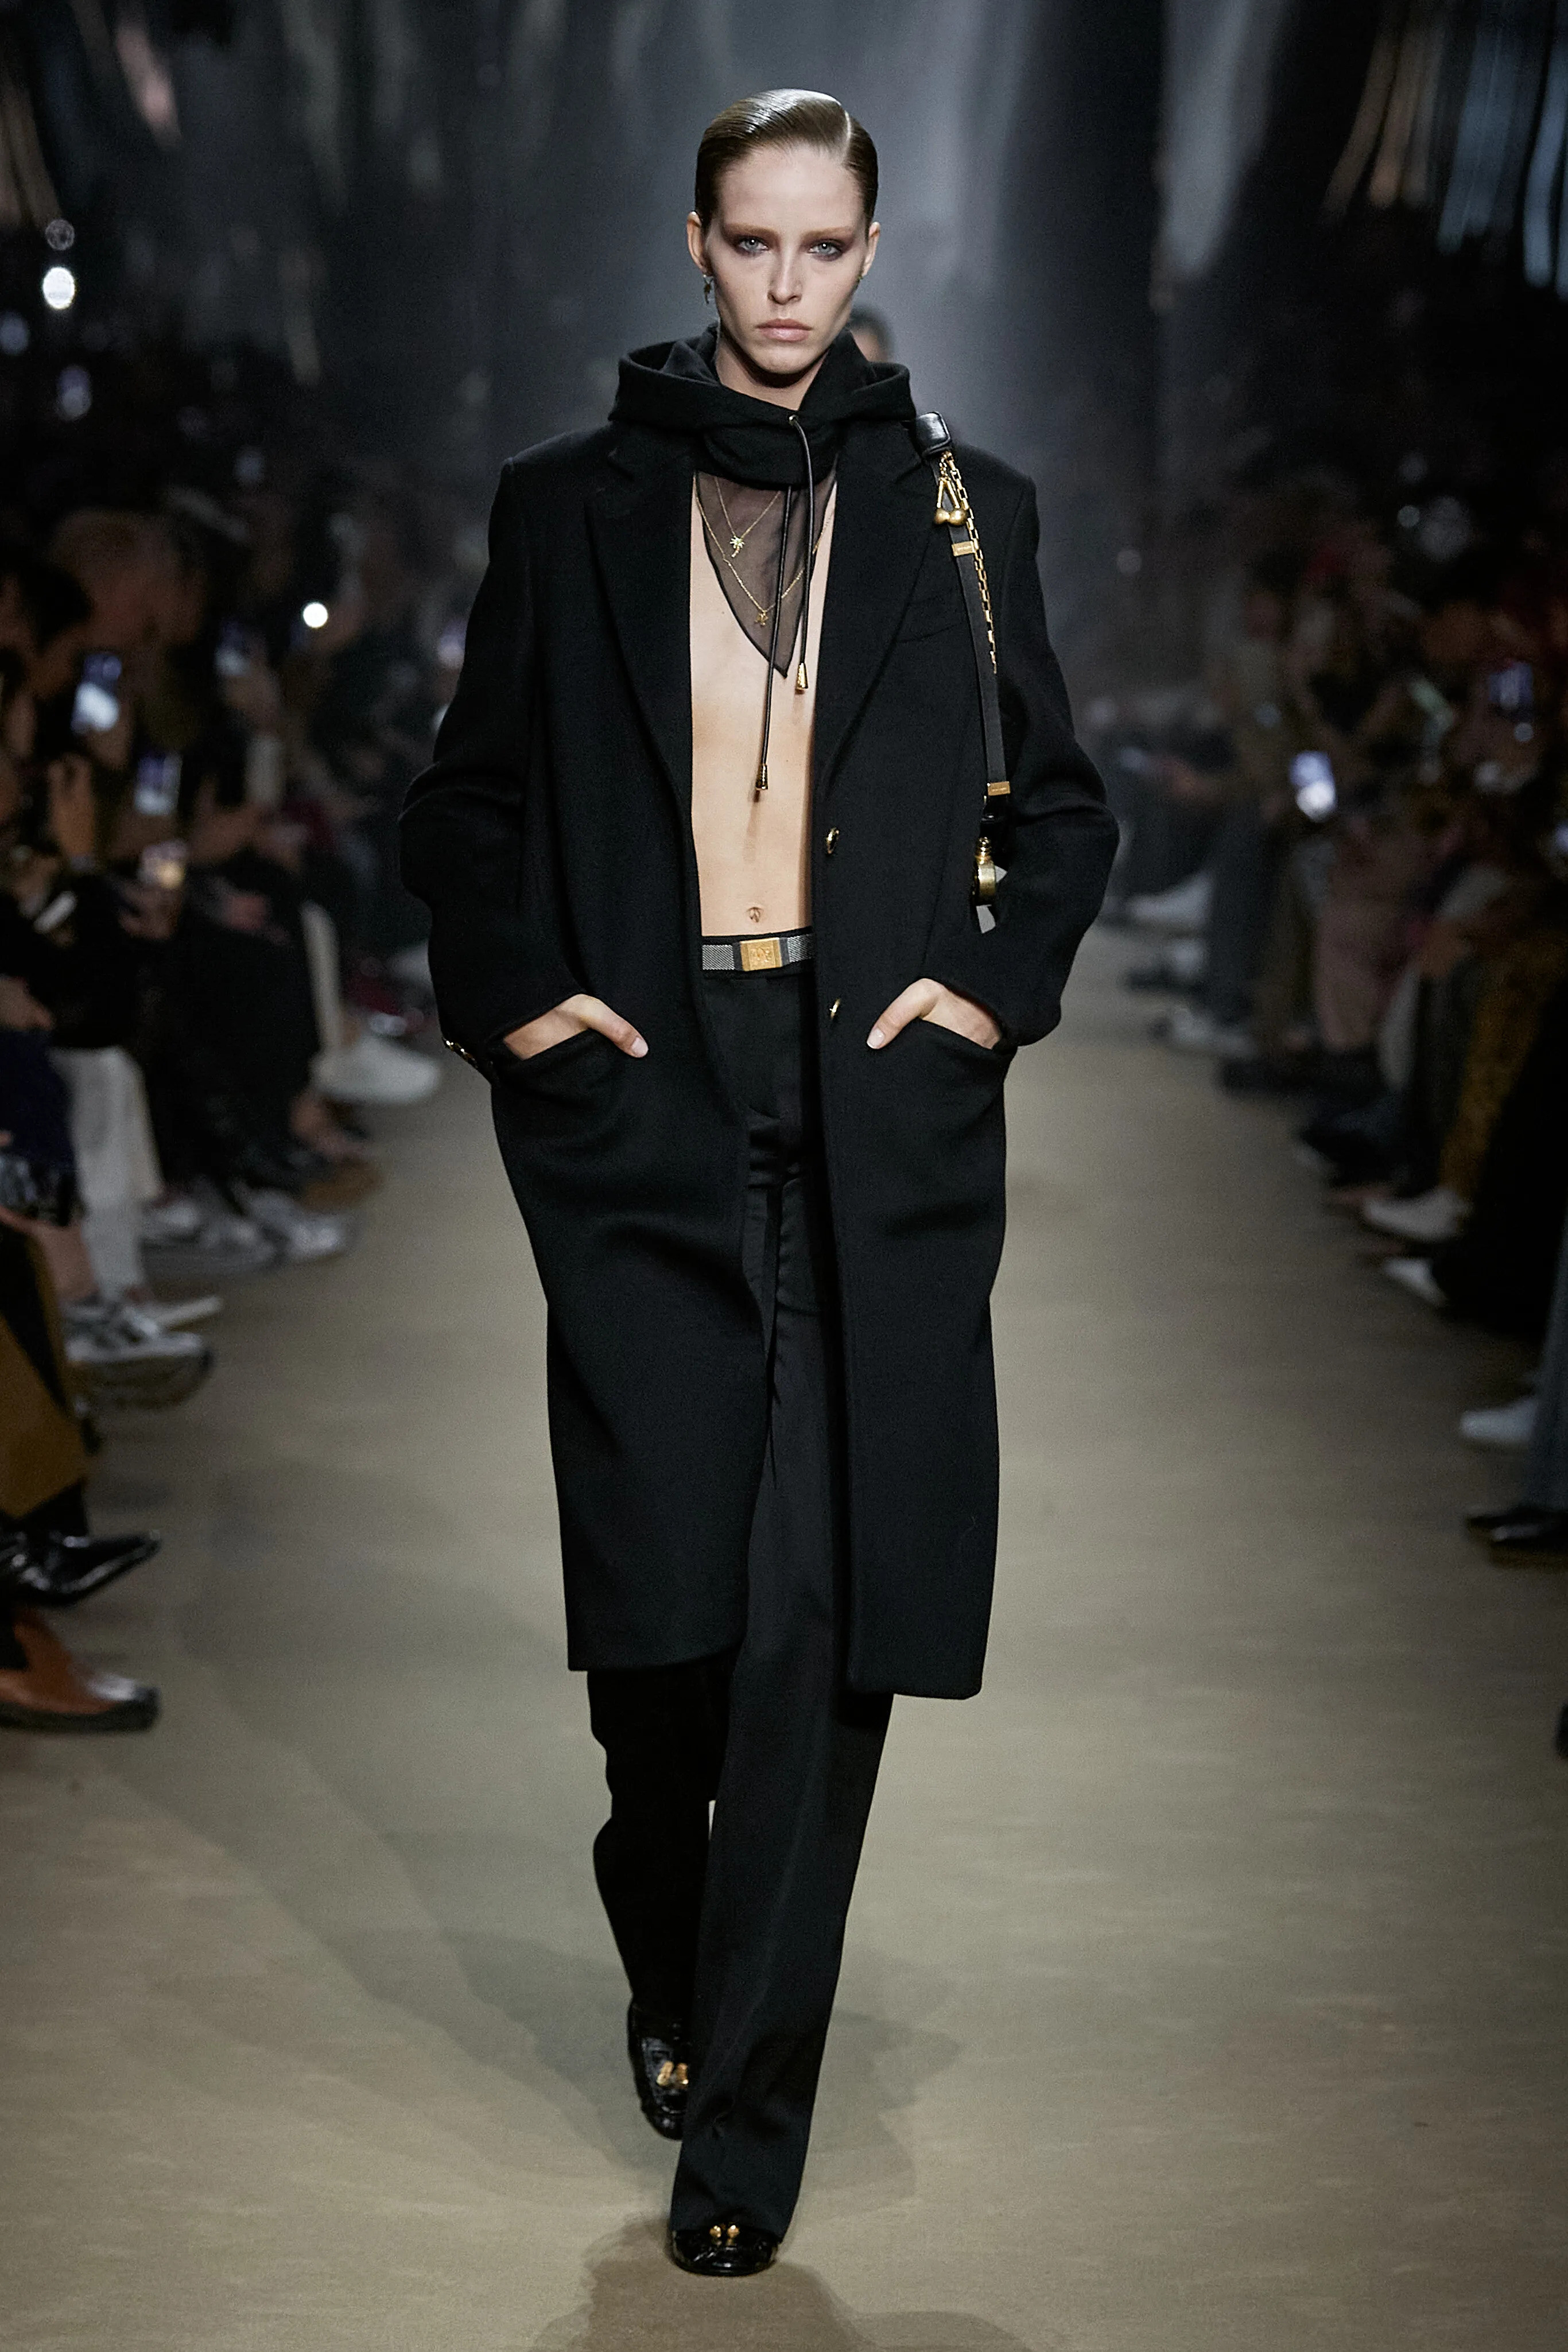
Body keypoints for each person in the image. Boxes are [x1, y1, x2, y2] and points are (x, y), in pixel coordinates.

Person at [402, 87, 1115, 2277]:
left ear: (869, 249)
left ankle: (746, 2125)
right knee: (668, 1633)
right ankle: (664, 1914)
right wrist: (520, 1007)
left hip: (867, 1108)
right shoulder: (568, 505)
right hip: (643, 1103)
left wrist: (985, 999)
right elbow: (467, 802)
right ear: (696, 245)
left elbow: (1065, 810)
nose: (788, 281)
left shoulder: (967, 513)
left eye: (823, 244)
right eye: (753, 241)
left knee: (817, 1621)